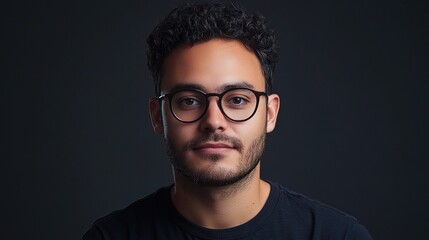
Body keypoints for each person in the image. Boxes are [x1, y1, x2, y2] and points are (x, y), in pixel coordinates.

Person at [83, 3, 372, 239]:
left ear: (270, 113)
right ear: (157, 117)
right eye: (189, 100)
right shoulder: (111, 237)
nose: (213, 121)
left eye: (237, 99)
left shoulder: (336, 236)